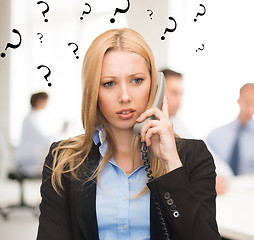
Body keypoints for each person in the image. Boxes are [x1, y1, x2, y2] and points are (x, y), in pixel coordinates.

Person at [36, 28, 220, 240]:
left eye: (137, 80)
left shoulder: (193, 157)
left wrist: (171, 164)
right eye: (109, 83)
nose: (124, 96)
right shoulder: (64, 160)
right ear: (93, 91)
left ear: (155, 85)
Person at [13, 92, 54, 177]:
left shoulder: (35, 117)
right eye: (45, 101)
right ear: (39, 101)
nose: (46, 104)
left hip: (31, 159)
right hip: (27, 162)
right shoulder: (30, 119)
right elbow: (43, 139)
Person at [160, 69, 193, 138]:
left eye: (181, 94)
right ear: (159, 91)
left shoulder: (181, 127)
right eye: (174, 92)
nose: (179, 101)